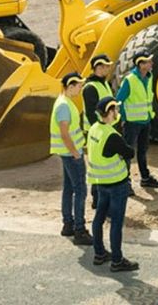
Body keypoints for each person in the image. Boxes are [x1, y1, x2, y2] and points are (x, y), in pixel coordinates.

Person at [88, 97, 139, 272]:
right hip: (117, 184)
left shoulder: (94, 129)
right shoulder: (112, 136)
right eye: (116, 110)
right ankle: (117, 260)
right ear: (110, 113)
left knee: (99, 217)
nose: (118, 112)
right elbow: (130, 152)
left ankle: (99, 253)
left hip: (100, 182)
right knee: (116, 222)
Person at [50, 72, 92, 245]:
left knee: (69, 188)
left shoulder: (63, 102)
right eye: (79, 85)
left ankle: (68, 224)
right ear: (71, 86)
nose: (80, 88)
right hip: (71, 154)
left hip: (67, 153)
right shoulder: (64, 106)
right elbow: (64, 132)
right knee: (80, 189)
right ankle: (79, 229)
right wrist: (75, 152)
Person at [116, 49, 158, 193]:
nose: (151, 63)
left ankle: (145, 178)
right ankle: (125, 182)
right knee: (128, 153)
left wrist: (149, 116)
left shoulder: (149, 77)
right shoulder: (130, 80)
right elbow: (119, 101)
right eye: (148, 61)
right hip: (132, 124)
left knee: (143, 151)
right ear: (141, 64)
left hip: (145, 121)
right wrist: (125, 118)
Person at [83, 54, 116, 209]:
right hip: (96, 132)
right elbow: (91, 113)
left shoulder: (104, 84)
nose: (105, 69)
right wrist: (101, 131)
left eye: (107, 66)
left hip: (105, 129)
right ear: (95, 68)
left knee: (102, 166)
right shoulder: (90, 87)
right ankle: (97, 199)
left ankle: (100, 199)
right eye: (101, 66)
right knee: (97, 166)